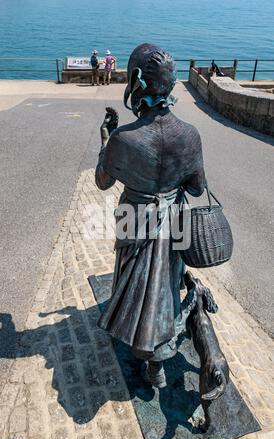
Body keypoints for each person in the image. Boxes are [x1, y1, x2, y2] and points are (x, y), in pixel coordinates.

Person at [95, 43, 206, 388]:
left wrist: (106, 139)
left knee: (135, 285)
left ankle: (136, 340)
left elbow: (102, 181)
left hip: (135, 217)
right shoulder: (189, 135)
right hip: (175, 221)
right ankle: (158, 358)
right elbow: (198, 188)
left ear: (136, 82)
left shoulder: (123, 138)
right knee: (167, 286)